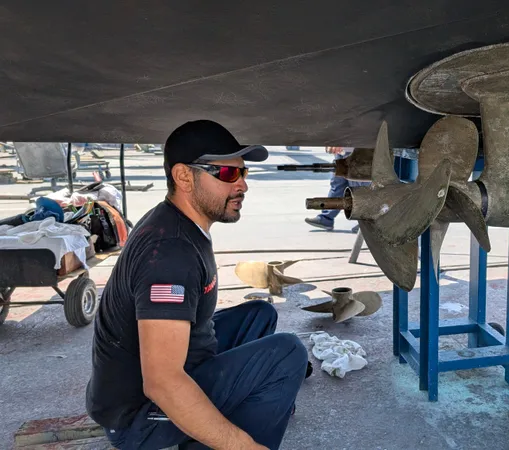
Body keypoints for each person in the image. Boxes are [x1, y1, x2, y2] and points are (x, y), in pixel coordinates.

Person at [84, 120, 309, 450]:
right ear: (184, 176)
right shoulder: (170, 254)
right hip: (136, 417)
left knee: (259, 314)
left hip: (149, 374)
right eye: (228, 174)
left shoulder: (176, 221)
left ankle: (230, 414)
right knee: (288, 353)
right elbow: (162, 383)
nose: (242, 185)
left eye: (244, 173)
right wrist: (244, 445)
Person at [304, 146, 369, 232]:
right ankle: (326, 218)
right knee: (338, 184)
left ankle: (366, 222)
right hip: (343, 150)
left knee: (359, 186)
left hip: (356, 149)